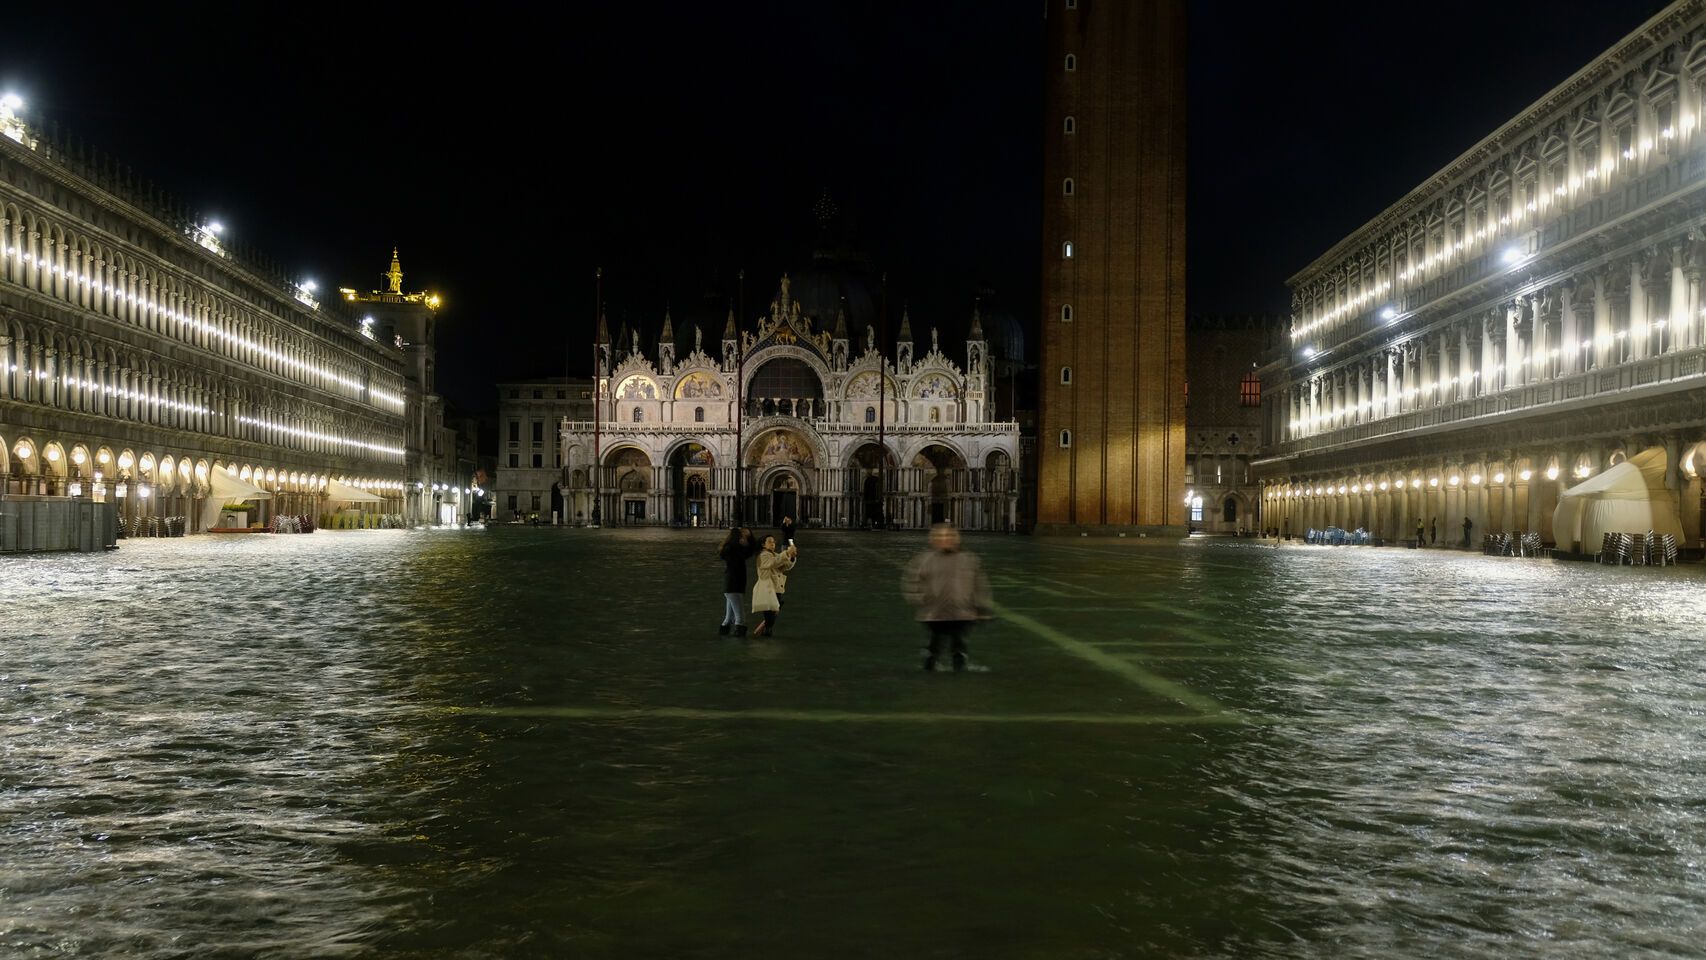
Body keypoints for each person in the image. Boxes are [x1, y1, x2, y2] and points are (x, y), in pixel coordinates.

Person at [903, 523, 994, 672]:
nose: (945, 539)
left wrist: (982, 608)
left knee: (958, 645)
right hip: (934, 613)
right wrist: (921, 600)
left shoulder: (969, 559)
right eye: (940, 536)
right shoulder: (925, 560)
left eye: (949, 536)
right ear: (933, 539)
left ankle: (958, 673)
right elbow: (912, 582)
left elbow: (979, 585)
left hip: (962, 613)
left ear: (956, 538)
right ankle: (930, 670)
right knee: (934, 644)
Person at [749, 535, 796, 637]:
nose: (773, 544)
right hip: (767, 588)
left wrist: (791, 557)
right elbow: (774, 562)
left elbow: (784, 566)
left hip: (775, 587)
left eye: (774, 542)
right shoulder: (763, 555)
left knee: (772, 612)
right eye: (770, 542)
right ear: (763, 544)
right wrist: (787, 553)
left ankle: (766, 632)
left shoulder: (774, 554)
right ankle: (766, 632)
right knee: (770, 613)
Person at [718, 526, 758, 637]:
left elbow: (749, 551)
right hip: (733, 586)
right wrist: (746, 540)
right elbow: (747, 552)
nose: (744, 538)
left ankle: (723, 635)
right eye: (742, 536)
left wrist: (748, 538)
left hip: (732, 585)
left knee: (729, 618)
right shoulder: (732, 549)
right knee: (740, 618)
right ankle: (739, 637)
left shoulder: (730, 548)